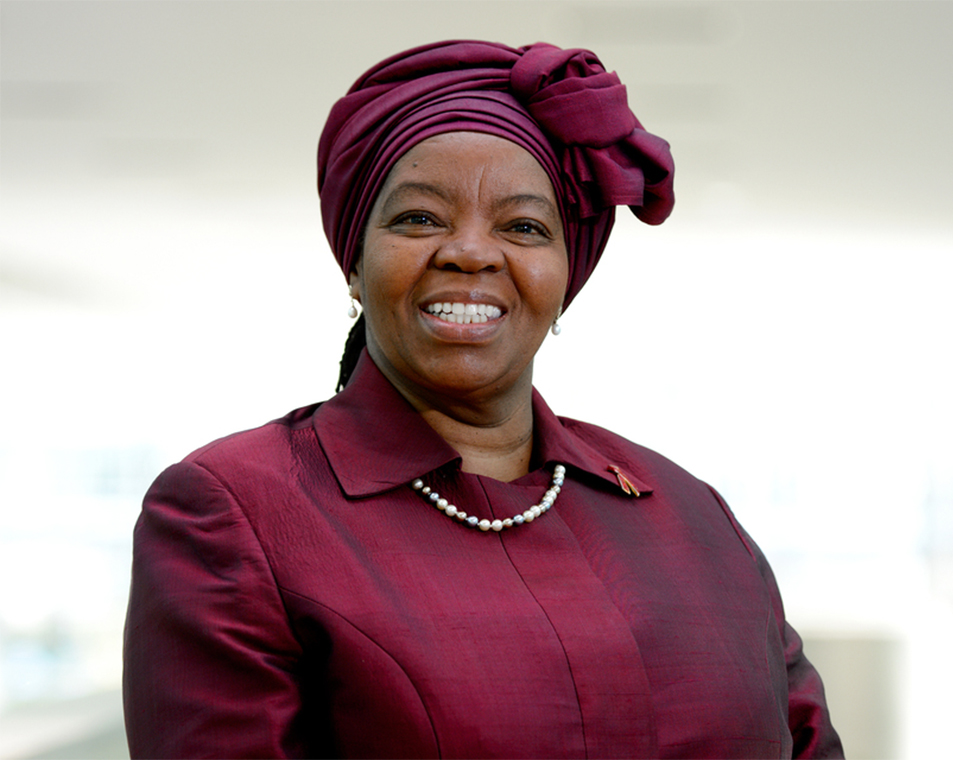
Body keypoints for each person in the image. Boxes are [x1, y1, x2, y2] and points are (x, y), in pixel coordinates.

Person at [123, 40, 844, 759]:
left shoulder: (691, 514)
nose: (471, 251)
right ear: (354, 262)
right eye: (418, 219)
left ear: (567, 276)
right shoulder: (236, 511)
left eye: (524, 226)